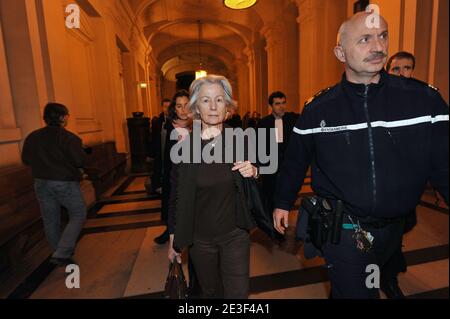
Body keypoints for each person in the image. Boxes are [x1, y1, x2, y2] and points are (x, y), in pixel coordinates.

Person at [273, 11, 449, 299]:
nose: (378, 47)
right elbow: (295, 160)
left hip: (395, 228)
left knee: (358, 286)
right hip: (346, 229)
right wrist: (282, 202)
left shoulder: (423, 100)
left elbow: (444, 163)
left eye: (383, 36)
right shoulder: (319, 109)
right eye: (365, 39)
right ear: (340, 52)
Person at [168, 75, 258, 299]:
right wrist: (173, 239)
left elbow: (256, 190)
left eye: (219, 100)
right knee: (210, 293)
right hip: (200, 239)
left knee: (237, 295)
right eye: (206, 100)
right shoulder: (184, 149)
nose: (213, 106)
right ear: (196, 106)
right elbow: (175, 198)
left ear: (227, 105)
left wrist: (255, 172)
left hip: (235, 234)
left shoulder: (242, 140)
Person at [22, 103, 88, 266]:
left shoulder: (32, 136)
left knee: (50, 218)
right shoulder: (69, 138)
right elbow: (79, 161)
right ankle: (62, 252)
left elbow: (26, 159)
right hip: (63, 182)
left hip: (40, 182)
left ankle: (58, 251)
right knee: (78, 213)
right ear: (63, 118)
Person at [154, 90, 191, 245]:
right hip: (173, 173)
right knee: (173, 205)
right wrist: (158, 179)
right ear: (174, 108)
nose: (183, 110)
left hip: (193, 173)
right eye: (179, 106)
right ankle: (171, 231)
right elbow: (161, 154)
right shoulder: (167, 127)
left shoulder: (199, 124)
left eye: (187, 105)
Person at [257, 91, 299, 216]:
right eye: (277, 104)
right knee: (270, 196)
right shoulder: (264, 123)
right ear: (271, 106)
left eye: (283, 103)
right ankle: (272, 225)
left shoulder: (293, 119)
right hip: (270, 167)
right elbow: (260, 146)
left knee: (287, 195)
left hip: (287, 166)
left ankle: (282, 222)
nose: (281, 106)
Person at [150, 98, 171, 194]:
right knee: (159, 166)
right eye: (165, 107)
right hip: (160, 148)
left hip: (170, 149)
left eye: (169, 107)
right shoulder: (158, 121)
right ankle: (158, 185)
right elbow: (153, 137)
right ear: (162, 108)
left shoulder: (175, 120)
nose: (167, 109)